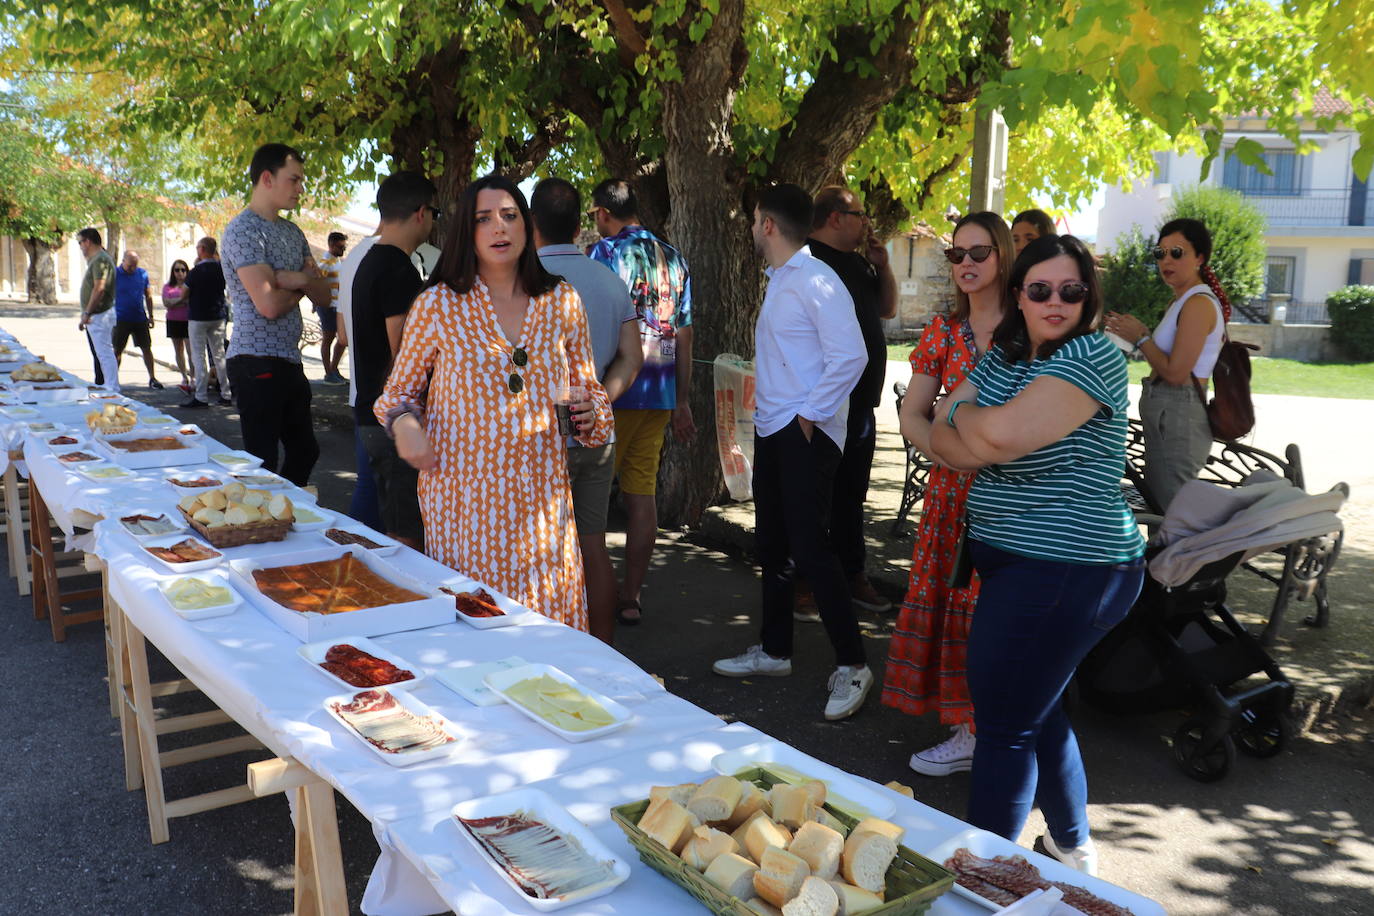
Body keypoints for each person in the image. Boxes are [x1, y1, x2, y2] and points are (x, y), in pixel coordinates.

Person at [929, 234, 1146, 876]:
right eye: (1041, 289)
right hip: (1021, 567)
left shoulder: (1092, 356)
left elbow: (980, 432)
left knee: (1003, 724)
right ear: (1018, 295)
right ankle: (1073, 850)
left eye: (1071, 290)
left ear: (1089, 297)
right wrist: (976, 430)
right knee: (1035, 709)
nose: (1057, 302)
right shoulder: (1011, 355)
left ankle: (983, 877)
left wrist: (978, 428)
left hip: (1067, 572)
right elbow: (940, 431)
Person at [374, 175, 613, 631]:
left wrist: (591, 414)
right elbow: (397, 396)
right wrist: (406, 427)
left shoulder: (562, 301)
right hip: (465, 508)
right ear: (468, 231)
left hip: (542, 508)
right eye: (484, 219)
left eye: (509, 215)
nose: (498, 228)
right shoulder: (438, 305)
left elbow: (592, 396)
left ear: (527, 224)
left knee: (546, 645)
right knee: (475, 645)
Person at [712, 183, 871, 721]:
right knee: (774, 544)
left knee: (809, 547)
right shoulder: (784, 279)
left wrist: (809, 416)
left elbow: (851, 356)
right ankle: (775, 650)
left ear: (768, 224)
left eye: (755, 218)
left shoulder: (817, 279)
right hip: (777, 427)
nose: (753, 226)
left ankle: (854, 662)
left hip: (804, 431)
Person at [882, 211, 1013, 776]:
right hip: (953, 496)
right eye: (955, 254)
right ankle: (967, 730)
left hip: (1017, 495)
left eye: (978, 253)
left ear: (1004, 255)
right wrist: (948, 455)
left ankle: (1000, 732)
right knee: (960, 604)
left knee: (1002, 613)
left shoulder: (1030, 329)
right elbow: (912, 414)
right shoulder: (942, 332)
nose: (965, 264)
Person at [531, 177, 643, 645]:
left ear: (530, 223)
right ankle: (604, 652)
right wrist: (598, 400)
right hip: (595, 433)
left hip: (533, 435)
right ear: (580, 225)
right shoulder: (610, 280)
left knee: (535, 546)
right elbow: (632, 357)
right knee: (593, 544)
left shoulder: (514, 279)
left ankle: (542, 647)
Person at [589, 178, 695, 625]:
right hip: (660, 392)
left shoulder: (605, 254)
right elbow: (686, 334)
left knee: (588, 502)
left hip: (614, 391)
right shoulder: (674, 258)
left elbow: (592, 323)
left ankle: (590, 595)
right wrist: (682, 401)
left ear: (601, 213)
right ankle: (631, 596)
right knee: (641, 496)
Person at [804, 186, 898, 617]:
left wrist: (884, 267)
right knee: (814, 496)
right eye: (860, 215)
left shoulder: (860, 262)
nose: (866, 223)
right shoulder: (807, 261)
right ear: (836, 217)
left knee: (851, 494)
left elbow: (887, 309)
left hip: (861, 405)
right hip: (822, 404)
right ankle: (804, 582)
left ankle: (852, 574)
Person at [221, 142, 330, 485]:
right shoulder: (243, 231)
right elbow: (267, 305)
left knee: (305, 450)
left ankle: (280, 513)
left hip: (288, 358)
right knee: (261, 461)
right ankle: (259, 526)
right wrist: (304, 282)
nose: (301, 189)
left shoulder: (292, 232)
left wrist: (292, 279)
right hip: (255, 360)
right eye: (294, 179)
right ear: (267, 178)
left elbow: (325, 294)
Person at [1104, 218, 1228, 512]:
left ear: (1200, 257)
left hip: (1179, 416)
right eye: (1160, 253)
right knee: (1165, 513)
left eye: (1177, 252)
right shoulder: (1183, 301)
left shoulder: (1197, 304)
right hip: (1171, 416)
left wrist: (1141, 337)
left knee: (1171, 518)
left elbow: (1175, 373)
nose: (1166, 261)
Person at [351, 172, 436, 551]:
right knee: (404, 535)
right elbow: (406, 355)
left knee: (375, 520)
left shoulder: (371, 260)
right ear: (422, 213)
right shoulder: (398, 270)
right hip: (392, 418)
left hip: (370, 410)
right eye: (435, 212)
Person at [334, 227, 384, 531]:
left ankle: (352, 558)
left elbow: (342, 334)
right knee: (384, 493)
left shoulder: (353, 257)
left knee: (369, 485)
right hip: (393, 398)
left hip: (361, 391)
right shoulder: (394, 259)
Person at [182, 237, 233, 409]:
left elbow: (184, 294)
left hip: (198, 316)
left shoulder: (196, 271)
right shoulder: (221, 269)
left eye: (198, 247)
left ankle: (201, 396)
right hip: (218, 315)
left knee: (199, 356)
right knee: (219, 355)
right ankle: (226, 393)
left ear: (203, 249)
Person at [111, 250, 164, 389]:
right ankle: (113, 379)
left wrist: (151, 315)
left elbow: (148, 295)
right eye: (130, 266)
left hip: (139, 317)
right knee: (117, 350)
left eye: (135, 265)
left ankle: (152, 378)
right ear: (123, 261)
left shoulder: (142, 274)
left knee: (146, 348)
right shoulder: (115, 274)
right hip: (120, 318)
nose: (132, 269)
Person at [76, 227, 119, 392]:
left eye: (81, 242)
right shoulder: (98, 259)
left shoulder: (101, 260)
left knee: (104, 353)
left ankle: (112, 387)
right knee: (100, 353)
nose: (80, 247)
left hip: (100, 314)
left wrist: (87, 312)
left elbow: (99, 288)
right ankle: (106, 385)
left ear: (88, 241)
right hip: (98, 314)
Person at [317, 231, 349, 385]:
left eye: (345, 246)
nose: (344, 250)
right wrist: (318, 301)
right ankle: (328, 373)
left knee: (343, 339)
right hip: (328, 306)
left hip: (338, 305)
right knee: (328, 339)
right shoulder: (325, 263)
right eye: (340, 247)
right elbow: (315, 282)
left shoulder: (337, 261)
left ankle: (334, 368)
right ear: (331, 245)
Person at [163, 259, 193, 392]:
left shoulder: (189, 285)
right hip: (173, 320)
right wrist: (182, 300)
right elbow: (166, 303)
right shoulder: (168, 286)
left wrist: (175, 302)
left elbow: (190, 301)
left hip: (188, 321)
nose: (180, 273)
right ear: (173, 272)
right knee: (178, 350)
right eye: (177, 270)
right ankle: (184, 376)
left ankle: (193, 377)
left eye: (183, 270)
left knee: (190, 350)